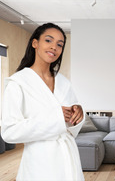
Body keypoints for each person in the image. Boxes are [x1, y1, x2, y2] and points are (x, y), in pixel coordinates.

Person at [1, 23, 85, 180]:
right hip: (40, 163)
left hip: (69, 158)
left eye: (60, 45)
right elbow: (9, 132)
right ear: (35, 43)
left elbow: (71, 127)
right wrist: (56, 118)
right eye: (48, 40)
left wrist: (78, 114)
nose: (54, 47)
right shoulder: (18, 82)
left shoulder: (63, 82)